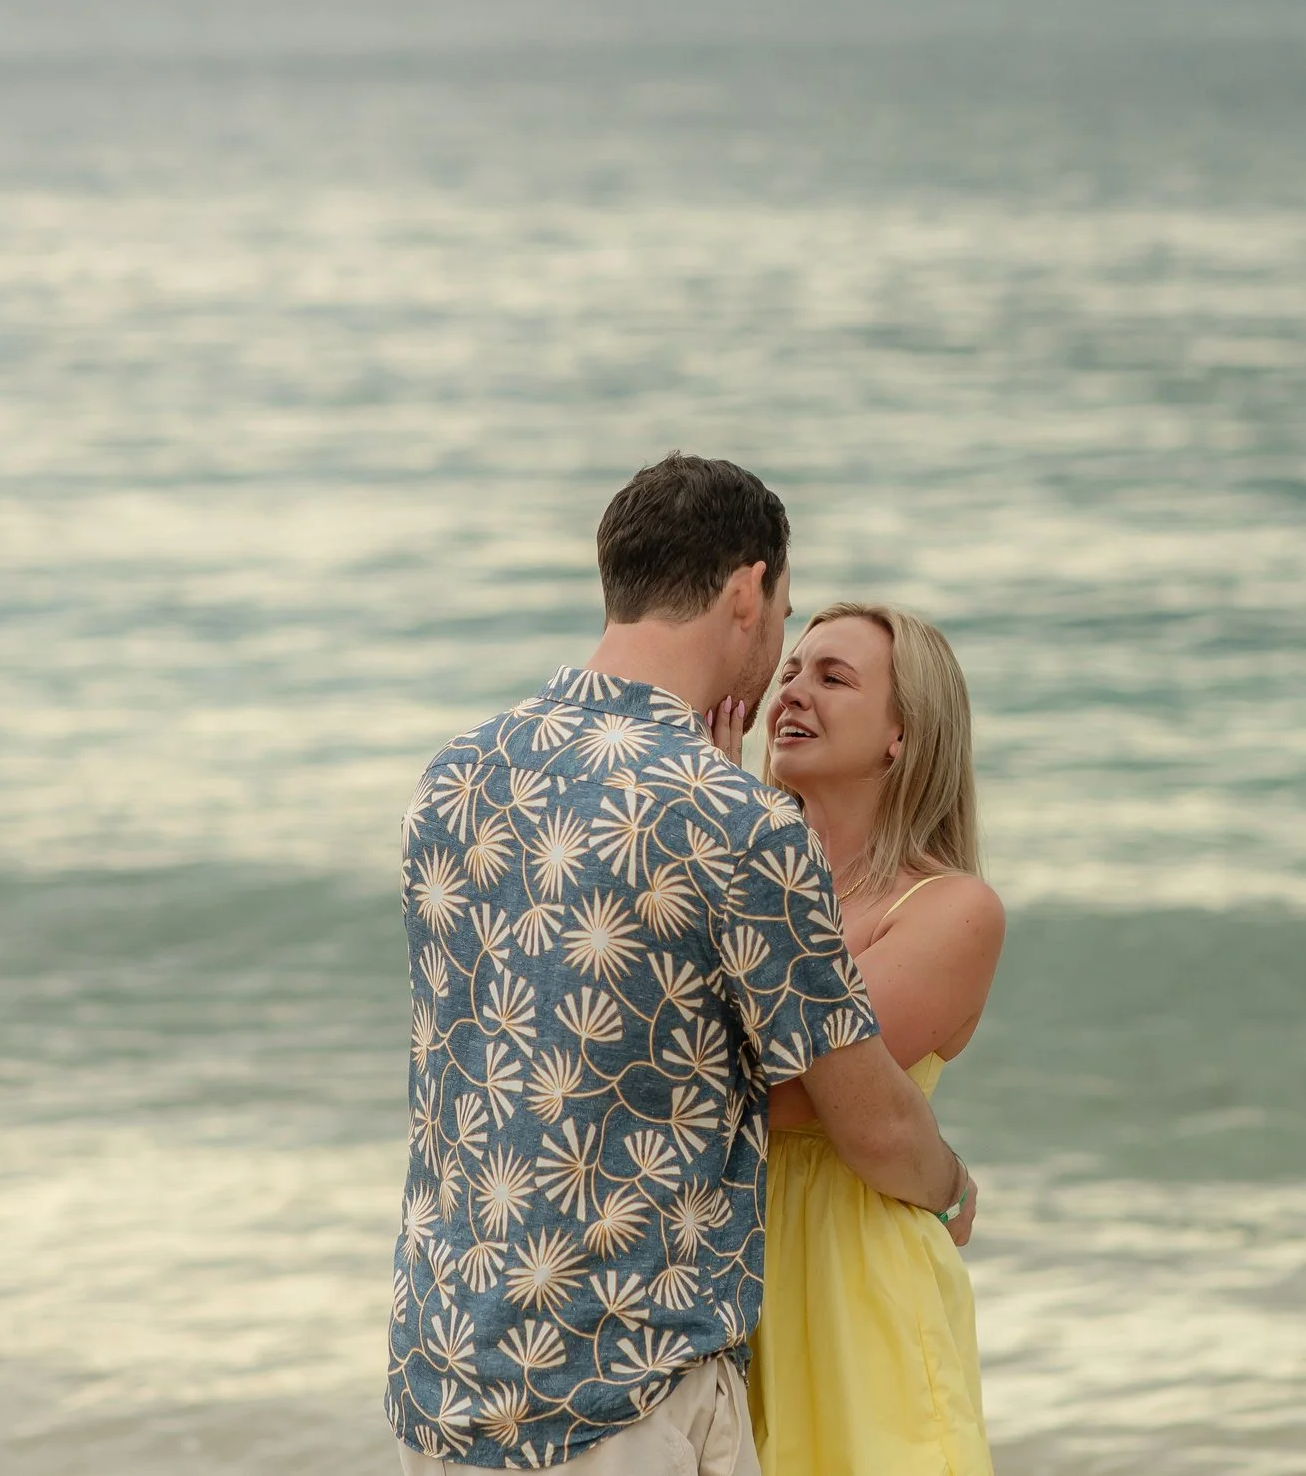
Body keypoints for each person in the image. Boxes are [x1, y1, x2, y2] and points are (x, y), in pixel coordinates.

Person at [385, 454, 973, 1475]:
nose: (782, 653)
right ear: (747, 592)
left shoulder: (456, 773)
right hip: (626, 1389)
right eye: (786, 618)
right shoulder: (735, 821)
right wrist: (956, 1181)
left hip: (446, 1373)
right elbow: (869, 1119)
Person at [720, 602, 1006, 1476]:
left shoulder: (951, 909)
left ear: (901, 735)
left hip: (857, 1285)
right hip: (724, 1272)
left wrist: (733, 839)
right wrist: (729, 833)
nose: (792, 693)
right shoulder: (741, 876)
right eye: (792, 672)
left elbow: (796, 1089)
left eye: (834, 678)